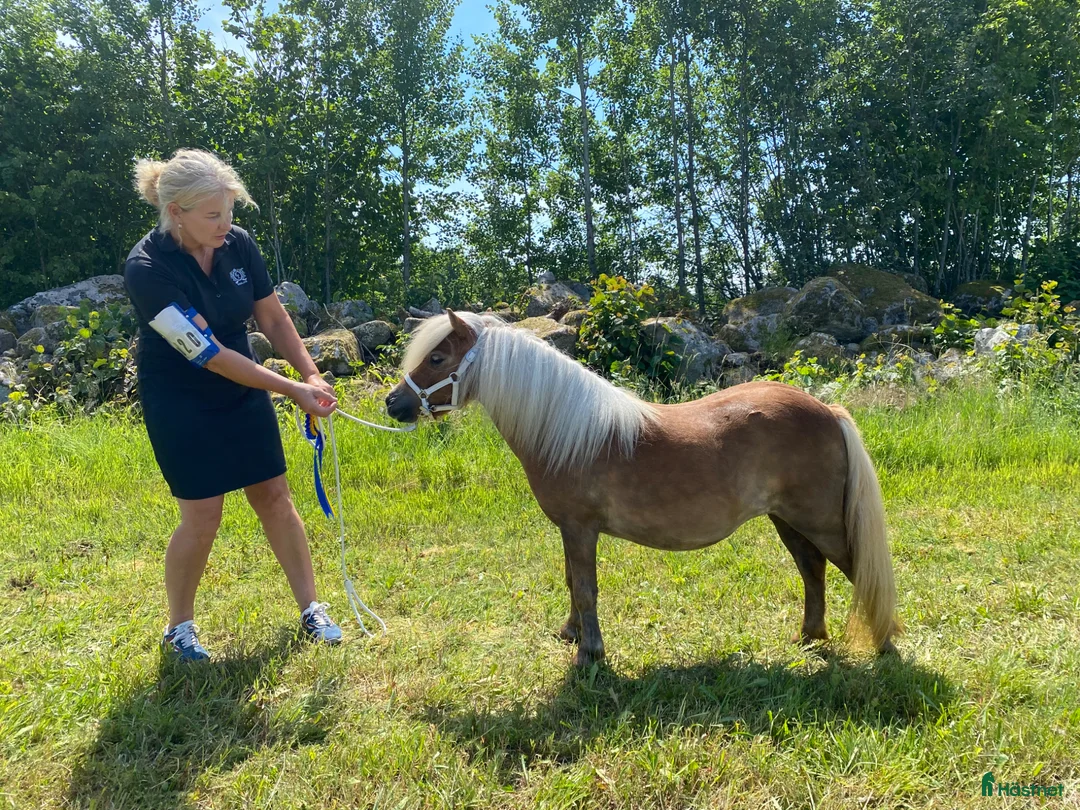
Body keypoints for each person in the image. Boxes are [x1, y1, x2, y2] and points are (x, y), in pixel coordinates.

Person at [124, 148, 342, 661]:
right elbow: (208, 355)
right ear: (175, 211)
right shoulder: (146, 268)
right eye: (213, 214)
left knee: (274, 496)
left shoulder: (237, 244)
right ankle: (179, 628)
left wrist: (309, 371)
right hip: (180, 398)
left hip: (243, 386)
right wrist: (290, 389)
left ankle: (312, 608)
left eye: (230, 211)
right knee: (202, 518)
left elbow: (272, 317)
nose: (226, 224)